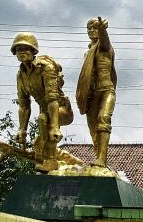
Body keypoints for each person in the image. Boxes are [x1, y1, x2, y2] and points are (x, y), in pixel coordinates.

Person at [12, 32, 74, 172]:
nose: (22, 52)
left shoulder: (46, 68)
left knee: (43, 118)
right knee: (38, 145)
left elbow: (53, 99)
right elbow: (24, 106)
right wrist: (22, 130)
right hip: (45, 112)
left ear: (33, 50)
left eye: (25, 48)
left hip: (61, 110)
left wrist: (54, 127)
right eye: (18, 49)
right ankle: (56, 161)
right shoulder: (20, 75)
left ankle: (51, 162)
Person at [75, 16, 117, 168]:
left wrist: (103, 29)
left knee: (103, 119)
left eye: (95, 28)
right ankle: (98, 157)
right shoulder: (88, 53)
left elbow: (105, 40)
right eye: (89, 28)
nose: (92, 31)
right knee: (93, 129)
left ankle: (102, 159)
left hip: (106, 90)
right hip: (92, 94)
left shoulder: (105, 47)